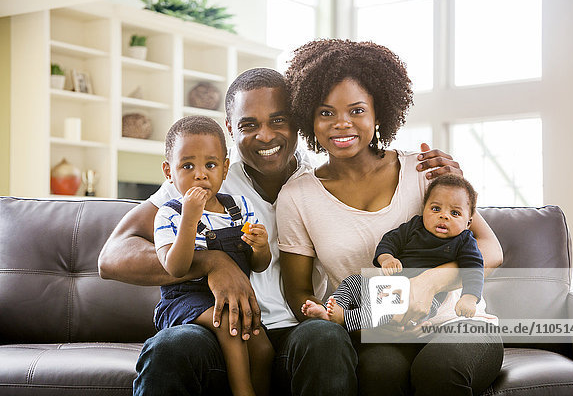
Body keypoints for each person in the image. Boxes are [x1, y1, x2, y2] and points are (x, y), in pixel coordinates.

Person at [98, 67, 463, 396]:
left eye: (278, 120)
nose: (265, 135)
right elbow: (112, 258)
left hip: (298, 328)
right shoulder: (204, 177)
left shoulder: (318, 185)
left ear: (298, 122)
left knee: (325, 337)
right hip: (218, 330)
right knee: (171, 346)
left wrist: (444, 182)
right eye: (248, 125)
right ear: (229, 128)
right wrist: (212, 262)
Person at [278, 39, 504, 395]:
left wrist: (429, 281)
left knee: (439, 370)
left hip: (460, 322)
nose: (341, 124)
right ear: (309, 117)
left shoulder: (423, 169)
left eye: (356, 111)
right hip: (380, 332)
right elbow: (299, 293)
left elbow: (490, 248)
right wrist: (361, 321)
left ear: (378, 113)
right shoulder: (297, 196)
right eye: (326, 112)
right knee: (379, 371)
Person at [152, 116, 273, 396]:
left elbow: (258, 265)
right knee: (231, 326)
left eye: (210, 165)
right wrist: (189, 220)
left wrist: (261, 246)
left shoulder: (239, 208)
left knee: (263, 348)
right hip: (183, 301)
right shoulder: (169, 214)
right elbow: (175, 267)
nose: (200, 174)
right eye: (187, 166)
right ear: (169, 171)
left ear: (225, 168)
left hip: (234, 298)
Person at [302, 174, 485, 331]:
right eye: (436, 209)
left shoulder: (464, 241)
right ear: (425, 209)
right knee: (352, 282)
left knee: (390, 310)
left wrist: (469, 297)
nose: (443, 216)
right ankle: (331, 309)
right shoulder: (415, 226)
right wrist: (387, 258)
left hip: (421, 301)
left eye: (455, 213)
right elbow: (389, 241)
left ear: (468, 222)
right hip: (388, 285)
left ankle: (345, 318)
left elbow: (474, 269)